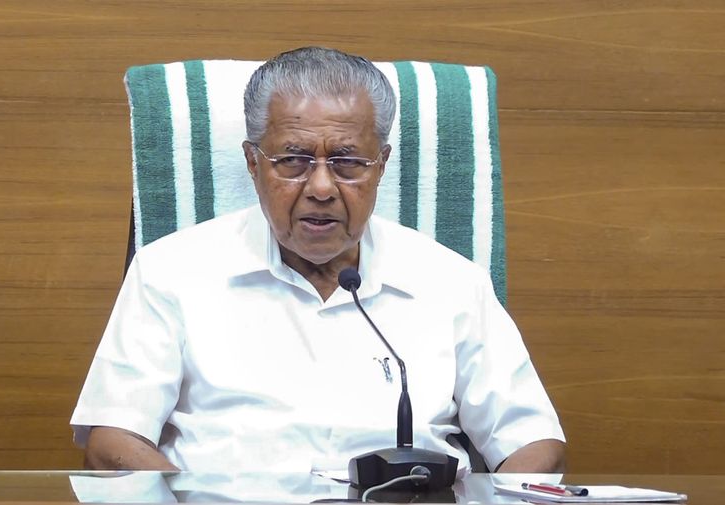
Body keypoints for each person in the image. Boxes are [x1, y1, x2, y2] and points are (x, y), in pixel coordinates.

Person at [71, 47, 566, 474]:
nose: (323, 188)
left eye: (348, 162)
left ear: (381, 165)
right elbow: (114, 439)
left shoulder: (452, 281)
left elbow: (532, 441)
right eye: (293, 160)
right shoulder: (171, 271)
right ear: (253, 163)